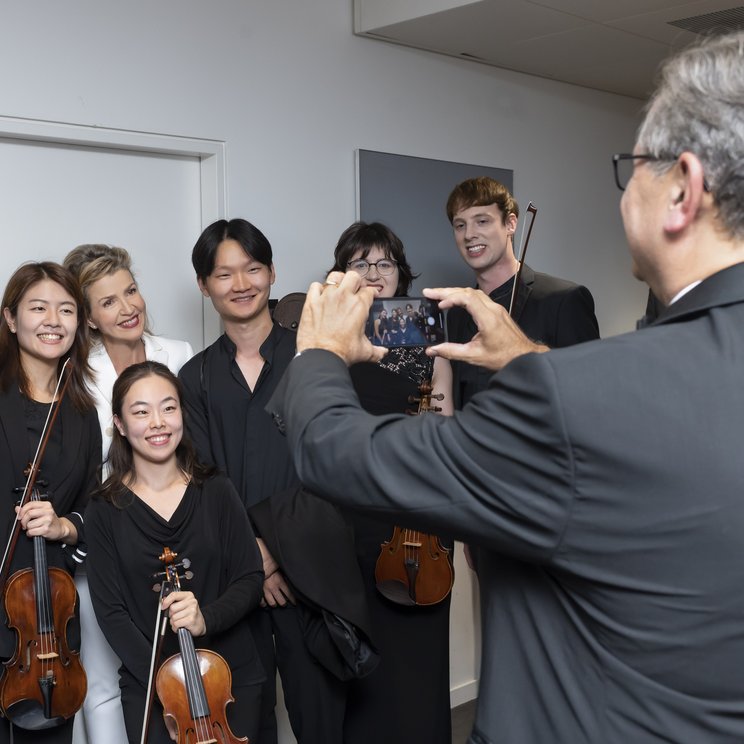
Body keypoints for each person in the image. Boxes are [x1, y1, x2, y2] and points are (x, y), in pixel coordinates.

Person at [268, 31, 744, 743]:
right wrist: (527, 357)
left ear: (682, 189)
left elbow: (336, 450)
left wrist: (320, 351)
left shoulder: (580, 394)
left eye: (632, 168)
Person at [178, 218, 366, 744]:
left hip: (312, 569)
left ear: (271, 272)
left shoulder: (315, 361)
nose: (241, 284)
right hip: (235, 580)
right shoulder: (193, 378)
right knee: (246, 720)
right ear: (203, 285)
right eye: (224, 274)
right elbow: (205, 479)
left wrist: (279, 552)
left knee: (322, 719)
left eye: (253, 269)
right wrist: (255, 560)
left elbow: (333, 462)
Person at [84, 361, 264, 744]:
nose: (158, 423)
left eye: (168, 407)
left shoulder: (216, 489)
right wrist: (167, 686)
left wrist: (205, 619)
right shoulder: (103, 509)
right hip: (152, 689)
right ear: (118, 423)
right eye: (141, 411)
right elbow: (111, 614)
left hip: (230, 677)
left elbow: (249, 578)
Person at [326, 221, 453, 743]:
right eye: (361, 262)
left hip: (417, 506)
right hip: (354, 509)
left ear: (401, 271)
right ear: (342, 271)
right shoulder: (332, 335)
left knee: (419, 653)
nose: (374, 273)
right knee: (365, 654)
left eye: (384, 262)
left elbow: (443, 417)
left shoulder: (429, 330)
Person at [64, 244, 193, 744]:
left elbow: (191, 449)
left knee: (179, 667)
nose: (128, 307)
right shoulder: (76, 376)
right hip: (104, 538)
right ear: (90, 319)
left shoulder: (178, 354)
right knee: (102, 681)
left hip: (173, 535)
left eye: (131, 291)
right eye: (109, 301)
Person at [0, 262, 101, 744]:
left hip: (46, 623)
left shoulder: (82, 413)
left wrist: (65, 526)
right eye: (38, 308)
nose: (53, 320)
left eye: (66, 310)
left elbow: (93, 508)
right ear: (11, 318)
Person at [445, 175, 600, 407]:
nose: (469, 234)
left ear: (511, 224)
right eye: (460, 225)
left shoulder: (564, 299)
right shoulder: (457, 313)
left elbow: (590, 389)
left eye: (482, 221)